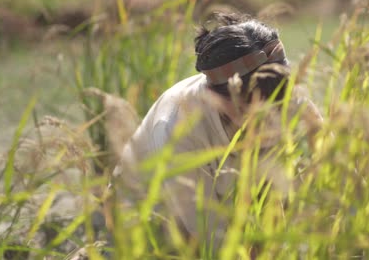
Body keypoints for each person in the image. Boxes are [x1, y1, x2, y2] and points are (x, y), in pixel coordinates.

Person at [111, 13, 323, 250]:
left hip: (232, 207)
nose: (271, 116)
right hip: (153, 223)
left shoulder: (280, 93)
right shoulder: (178, 127)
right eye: (254, 108)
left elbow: (336, 173)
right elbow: (209, 240)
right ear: (216, 99)